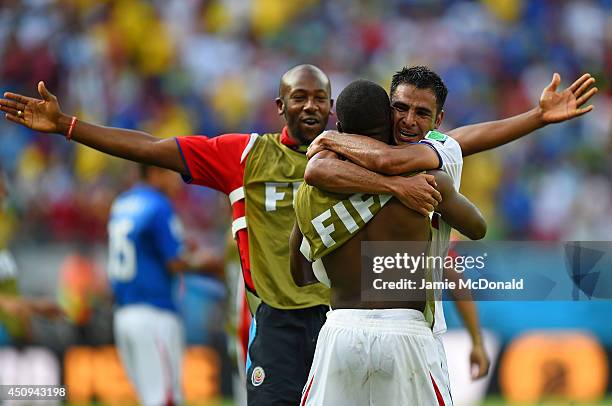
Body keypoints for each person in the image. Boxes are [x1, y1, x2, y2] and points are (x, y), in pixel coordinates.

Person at [0, 64, 596, 403]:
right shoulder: (248, 156)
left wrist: (535, 118)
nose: (309, 105)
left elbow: (465, 138)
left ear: (334, 109)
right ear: (279, 105)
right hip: (287, 323)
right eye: (298, 97)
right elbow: (154, 148)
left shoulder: (383, 152)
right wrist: (71, 127)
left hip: (347, 318)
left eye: (319, 97)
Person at [303, 66, 598, 382]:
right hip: (386, 327)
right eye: (401, 108)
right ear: (387, 108)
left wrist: (536, 117)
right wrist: (395, 185)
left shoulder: (424, 152)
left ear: (437, 121)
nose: (409, 120)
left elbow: (449, 144)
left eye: (422, 113)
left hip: (379, 327)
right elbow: (319, 169)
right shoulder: (368, 159)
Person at [291, 79, 486, 405]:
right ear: (388, 121)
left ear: (339, 128)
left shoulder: (313, 191)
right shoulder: (426, 181)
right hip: (406, 334)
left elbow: (300, 274)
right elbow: (477, 227)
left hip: (340, 330)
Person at [108, 164, 217, 406]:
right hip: (154, 313)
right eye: (170, 172)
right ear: (155, 173)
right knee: (165, 399)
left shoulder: (122, 203)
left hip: (124, 313)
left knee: (149, 397)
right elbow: (174, 262)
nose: (177, 180)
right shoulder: (157, 204)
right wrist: (208, 263)